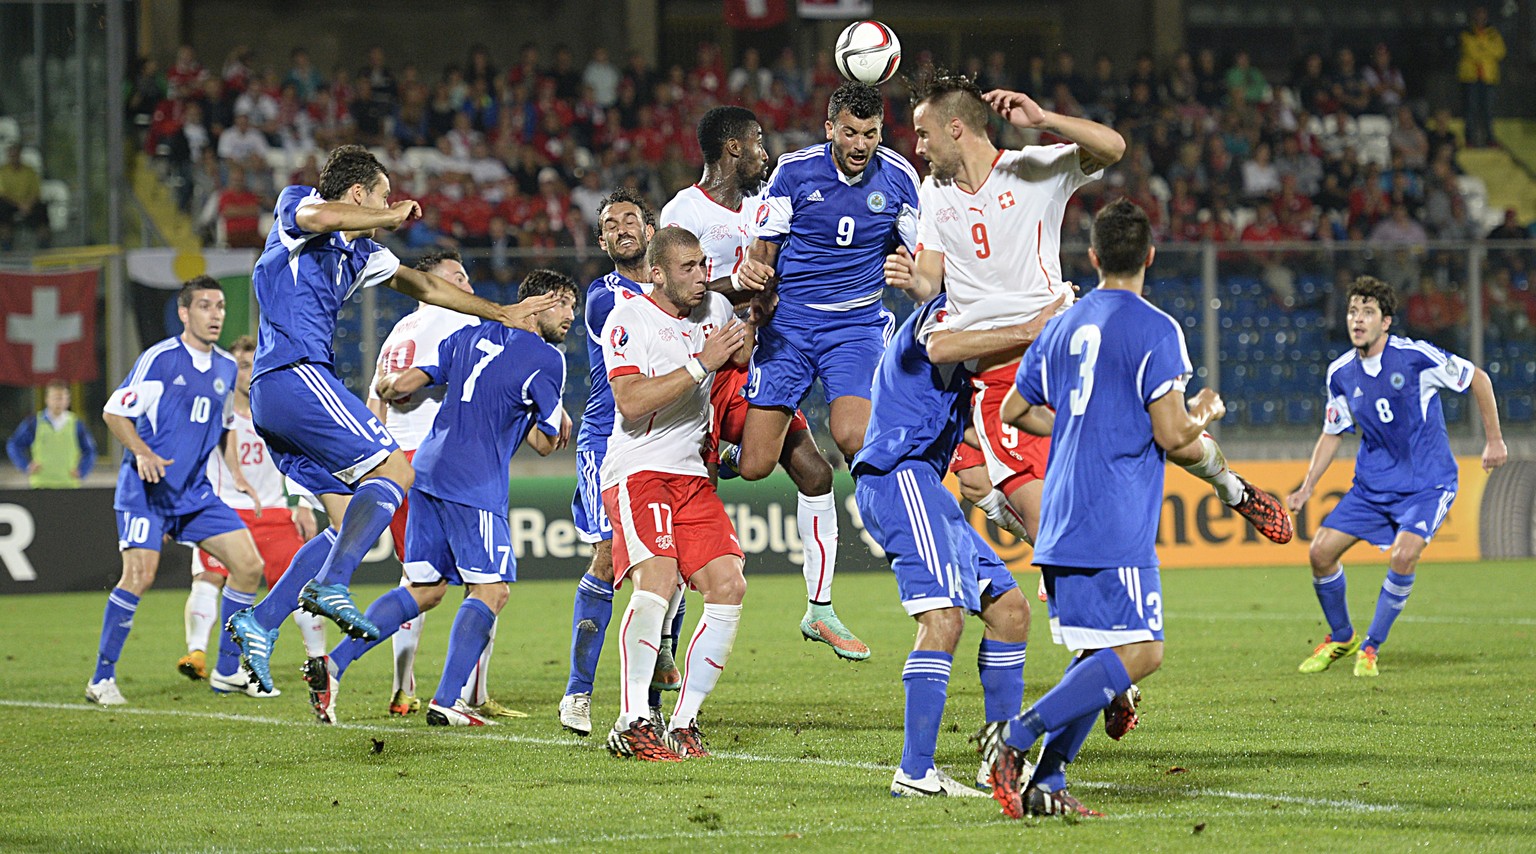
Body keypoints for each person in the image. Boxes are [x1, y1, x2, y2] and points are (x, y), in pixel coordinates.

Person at [885, 75, 1291, 557]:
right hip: (996, 373)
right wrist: (916, 282)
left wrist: (1045, 120)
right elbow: (932, 279)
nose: (919, 145)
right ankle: (1065, 559)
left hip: (1061, 351)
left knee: (1174, 440)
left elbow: (1114, 147)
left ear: (955, 128)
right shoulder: (933, 192)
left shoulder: (1032, 168)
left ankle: (1232, 489)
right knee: (1001, 496)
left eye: (924, 133)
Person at [224, 144, 558, 695]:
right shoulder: (298, 210)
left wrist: (501, 312)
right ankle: (332, 585)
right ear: (361, 195)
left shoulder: (363, 257)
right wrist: (389, 213)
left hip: (281, 397)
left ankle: (261, 620)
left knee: (340, 521)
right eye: (379, 195)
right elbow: (324, 215)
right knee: (396, 475)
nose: (386, 208)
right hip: (292, 374)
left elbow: (424, 286)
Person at [981, 200, 1227, 819]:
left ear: (1091, 258)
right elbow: (1172, 436)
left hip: (1061, 512)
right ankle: (1013, 737)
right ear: (1148, 256)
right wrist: (1202, 414)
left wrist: (1078, 425)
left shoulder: (1062, 326)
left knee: (1099, 658)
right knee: (1144, 652)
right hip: (1112, 515)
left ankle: (1048, 782)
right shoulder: (1156, 328)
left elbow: (1013, 411)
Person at [303, 271, 576, 725]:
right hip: (474, 482)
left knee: (424, 589)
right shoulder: (547, 359)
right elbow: (547, 442)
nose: (570, 314)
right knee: (491, 590)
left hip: (426, 471)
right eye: (563, 302)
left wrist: (386, 388)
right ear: (535, 304)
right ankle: (448, 701)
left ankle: (332, 666)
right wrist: (546, 417)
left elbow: (409, 382)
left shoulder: (469, 333)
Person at [660, 106, 862, 659]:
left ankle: (819, 609)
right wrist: (737, 287)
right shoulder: (685, 209)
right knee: (696, 505)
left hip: (761, 359)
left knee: (812, 474)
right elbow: (671, 290)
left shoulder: (766, 204)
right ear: (730, 147)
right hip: (707, 367)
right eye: (756, 141)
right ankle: (666, 645)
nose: (765, 151)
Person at [853, 290, 1035, 798]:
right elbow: (939, 347)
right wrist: (1034, 327)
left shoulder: (971, 362)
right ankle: (915, 773)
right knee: (943, 618)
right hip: (899, 475)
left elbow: (981, 437)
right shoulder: (946, 311)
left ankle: (1000, 763)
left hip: (926, 486)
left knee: (1010, 611)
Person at [1285, 276, 1505, 678]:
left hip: (1427, 484)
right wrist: (1308, 486)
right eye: (1353, 311)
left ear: (1386, 321)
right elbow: (1334, 431)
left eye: (1368, 312)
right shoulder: (1340, 374)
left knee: (1404, 554)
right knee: (1319, 553)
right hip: (1372, 488)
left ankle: (1370, 647)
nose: (1358, 319)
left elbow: (1479, 379)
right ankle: (1341, 636)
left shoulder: (1416, 357)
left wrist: (1494, 441)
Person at [600, 226, 750, 761]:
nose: (700, 275)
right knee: (658, 580)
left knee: (729, 584)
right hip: (639, 471)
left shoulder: (713, 309)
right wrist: (699, 363)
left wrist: (759, 307)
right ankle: (632, 719)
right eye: (687, 267)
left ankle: (683, 722)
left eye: (703, 265)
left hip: (691, 473)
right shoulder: (629, 319)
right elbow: (631, 402)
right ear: (657, 273)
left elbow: (741, 349)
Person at [86, 277, 268, 705]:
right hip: (147, 489)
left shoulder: (225, 367)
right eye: (205, 306)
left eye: (220, 306)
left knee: (248, 566)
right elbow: (114, 412)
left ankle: (226, 670)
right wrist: (143, 452)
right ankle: (101, 678)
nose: (216, 314)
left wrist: (237, 473)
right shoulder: (162, 359)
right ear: (185, 313)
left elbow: (224, 427)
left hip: (193, 492)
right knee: (140, 576)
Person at [735, 82, 921, 483]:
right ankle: (720, 447)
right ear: (829, 128)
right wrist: (758, 285)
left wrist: (918, 278)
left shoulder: (900, 179)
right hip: (789, 323)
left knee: (853, 436)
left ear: (880, 133)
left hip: (855, 326)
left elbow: (923, 260)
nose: (860, 144)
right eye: (850, 132)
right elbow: (764, 247)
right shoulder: (794, 171)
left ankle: (889, 496)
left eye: (870, 134)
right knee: (755, 466)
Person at [366, 249, 518, 720]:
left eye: (467, 276)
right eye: (456, 276)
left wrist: (382, 461)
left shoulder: (398, 331)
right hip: (447, 465)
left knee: (417, 581)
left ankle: (401, 689)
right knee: (486, 581)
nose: (467, 285)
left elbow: (375, 398)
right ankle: (470, 694)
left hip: (400, 461)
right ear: (430, 283)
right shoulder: (450, 325)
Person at [559, 188, 664, 738]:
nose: (622, 228)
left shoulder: (675, 285)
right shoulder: (605, 295)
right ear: (602, 241)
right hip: (607, 440)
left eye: (631, 219)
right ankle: (577, 692)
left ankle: (649, 692)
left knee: (668, 564)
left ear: (651, 230)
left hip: (666, 437)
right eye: (610, 224)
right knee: (608, 558)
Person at [181, 335, 327, 683]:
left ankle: (319, 661)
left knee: (303, 587)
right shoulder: (215, 412)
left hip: (273, 513)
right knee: (209, 577)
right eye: (241, 367)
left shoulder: (274, 413)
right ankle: (197, 653)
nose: (247, 374)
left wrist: (304, 504)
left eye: (251, 365)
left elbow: (301, 457)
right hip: (226, 510)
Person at [7, 380, 96, 488]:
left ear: (68, 401)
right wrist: (26, 465)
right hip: (41, 484)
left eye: (62, 398)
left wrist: (82, 470)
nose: (59, 402)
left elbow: (90, 450)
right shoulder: (34, 423)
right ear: (47, 399)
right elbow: (14, 444)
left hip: (69, 484)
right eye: (55, 398)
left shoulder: (76, 424)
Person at [1459, 6, 1505, 149]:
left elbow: (1501, 51)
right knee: (1471, 109)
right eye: (1478, 14)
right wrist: (1486, 50)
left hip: (1488, 77)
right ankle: (1470, 140)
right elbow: (1470, 50)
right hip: (1471, 77)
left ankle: (1490, 139)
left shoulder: (1493, 33)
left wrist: (1481, 48)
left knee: (1488, 110)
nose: (1480, 17)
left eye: (1483, 14)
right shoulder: (1467, 32)